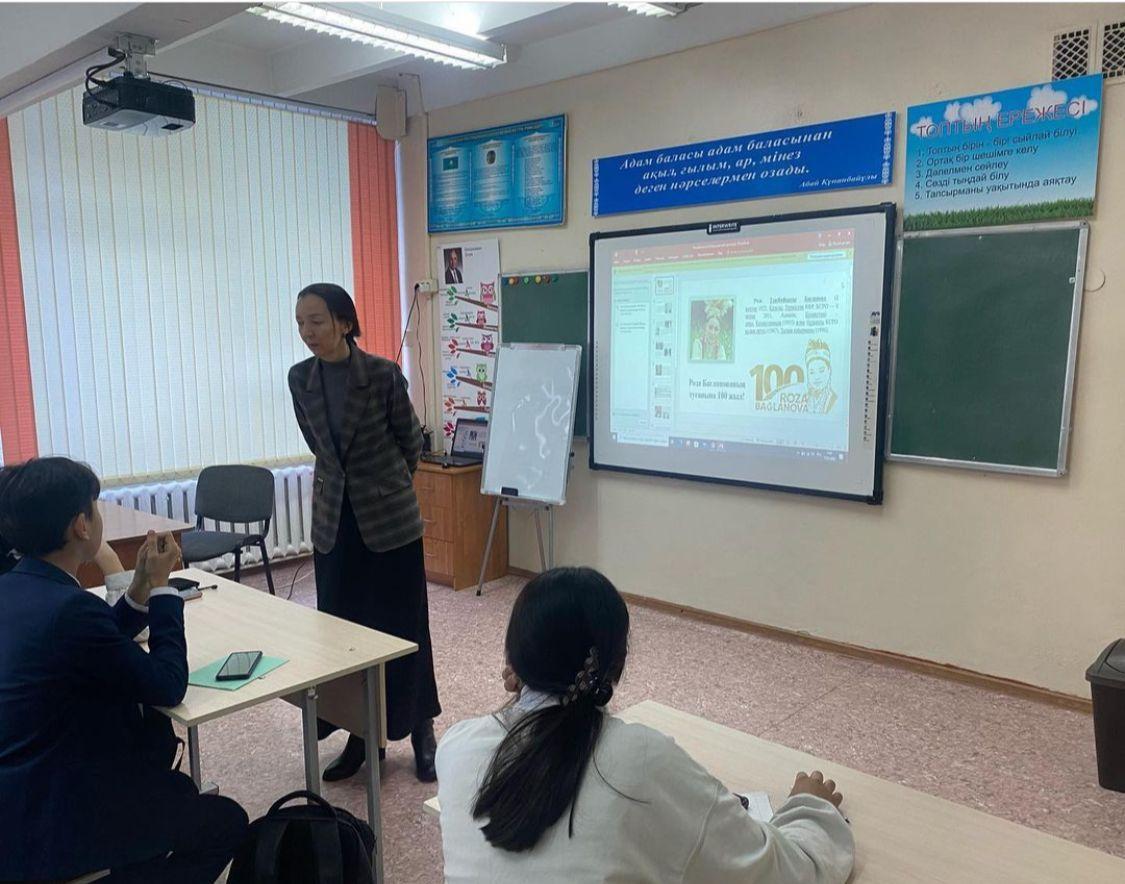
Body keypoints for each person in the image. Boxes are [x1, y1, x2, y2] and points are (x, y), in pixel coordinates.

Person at [436, 568, 854, 883]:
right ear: (616, 666)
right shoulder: (643, 761)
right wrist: (810, 808)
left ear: (512, 662)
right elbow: (788, 873)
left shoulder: (457, 748)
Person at [0, 457, 249, 882]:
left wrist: (138, 589)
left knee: (176, 793)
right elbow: (167, 685)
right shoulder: (72, 609)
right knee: (226, 822)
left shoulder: (16, 587)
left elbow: (93, 644)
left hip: (19, 796)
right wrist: (164, 588)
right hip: (57, 817)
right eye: (95, 509)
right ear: (81, 526)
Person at [289, 282, 441, 783]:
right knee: (344, 632)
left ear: (345, 323)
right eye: (301, 323)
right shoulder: (299, 379)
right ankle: (361, 735)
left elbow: (410, 442)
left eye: (316, 321)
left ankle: (420, 729)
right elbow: (319, 445)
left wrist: (383, 486)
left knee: (404, 628)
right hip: (334, 523)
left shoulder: (381, 375)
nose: (308, 332)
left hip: (389, 521)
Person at [804, 339, 838, 414]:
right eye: (812, 372)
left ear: (829, 371)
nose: (817, 377)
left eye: (821, 371)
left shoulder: (834, 401)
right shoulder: (804, 399)